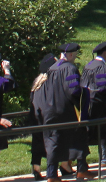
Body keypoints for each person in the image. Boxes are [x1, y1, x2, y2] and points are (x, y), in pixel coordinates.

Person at [35, 44, 88, 182]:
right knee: (79, 136)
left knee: (53, 141)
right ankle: (82, 170)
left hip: (50, 110)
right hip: (66, 110)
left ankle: (52, 175)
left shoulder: (51, 68)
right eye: (75, 55)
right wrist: (84, 94)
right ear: (70, 55)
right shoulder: (70, 68)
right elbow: (73, 91)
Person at [29, 54, 70, 181]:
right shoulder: (50, 82)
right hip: (48, 117)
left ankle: (36, 168)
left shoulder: (36, 83)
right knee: (53, 142)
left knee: (37, 142)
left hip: (36, 117)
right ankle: (57, 170)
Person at [81, 42, 106, 174]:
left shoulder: (88, 65)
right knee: (104, 131)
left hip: (87, 104)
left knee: (86, 133)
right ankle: (105, 158)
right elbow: (103, 88)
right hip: (99, 105)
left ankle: (82, 162)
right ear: (104, 53)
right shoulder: (102, 67)